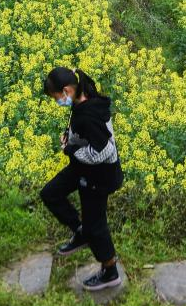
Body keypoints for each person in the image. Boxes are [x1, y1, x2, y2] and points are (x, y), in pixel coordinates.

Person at [40, 67, 124, 291]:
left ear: (67, 90)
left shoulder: (89, 114)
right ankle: (80, 232)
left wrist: (71, 150)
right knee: (50, 193)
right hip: (82, 166)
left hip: (100, 175)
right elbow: (83, 133)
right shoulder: (81, 96)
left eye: (56, 97)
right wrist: (71, 138)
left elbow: (105, 151)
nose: (57, 101)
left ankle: (110, 271)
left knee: (96, 226)